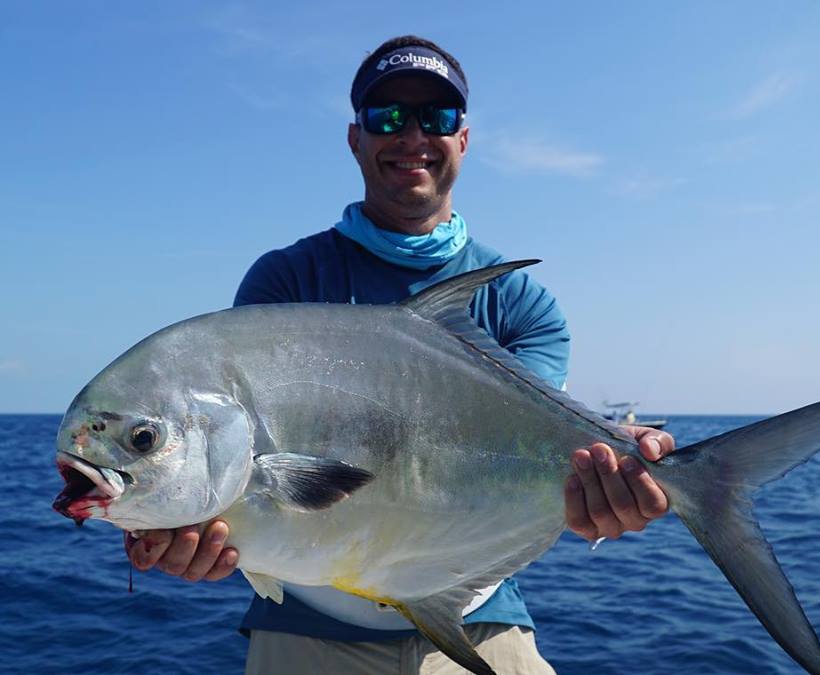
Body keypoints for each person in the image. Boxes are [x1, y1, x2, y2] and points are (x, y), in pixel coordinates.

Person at [125, 35, 676, 674]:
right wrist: (176, 515)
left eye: (436, 118)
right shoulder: (286, 283)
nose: (411, 135)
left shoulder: (520, 301)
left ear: (462, 139)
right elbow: (236, 470)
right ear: (355, 139)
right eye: (387, 117)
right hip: (308, 630)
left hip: (476, 618)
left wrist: (610, 471)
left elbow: (531, 444)